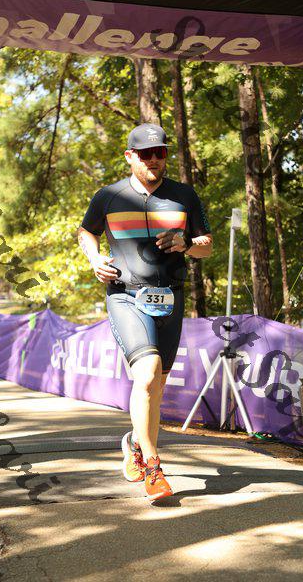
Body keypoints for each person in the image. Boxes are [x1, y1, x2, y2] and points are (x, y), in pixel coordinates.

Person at [78, 123, 213, 503]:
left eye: (160, 153)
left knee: (158, 384)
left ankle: (136, 445)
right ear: (130, 157)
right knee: (148, 371)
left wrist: (186, 243)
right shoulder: (109, 196)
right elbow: (86, 232)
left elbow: (206, 245)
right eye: (146, 154)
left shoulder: (184, 196)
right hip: (125, 296)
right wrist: (94, 259)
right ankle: (153, 467)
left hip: (170, 298)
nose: (154, 159)